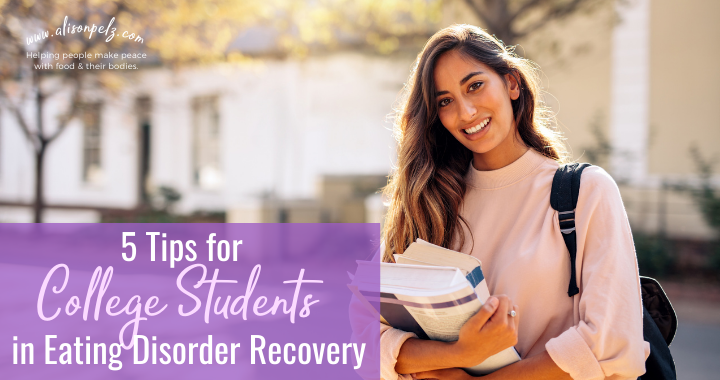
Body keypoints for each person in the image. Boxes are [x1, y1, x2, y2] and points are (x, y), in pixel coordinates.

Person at [376, 24, 650, 380]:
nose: (466, 112)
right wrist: (458, 353)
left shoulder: (585, 192)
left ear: (511, 83)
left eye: (475, 85)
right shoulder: (428, 204)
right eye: (445, 101)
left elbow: (610, 345)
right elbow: (369, 339)